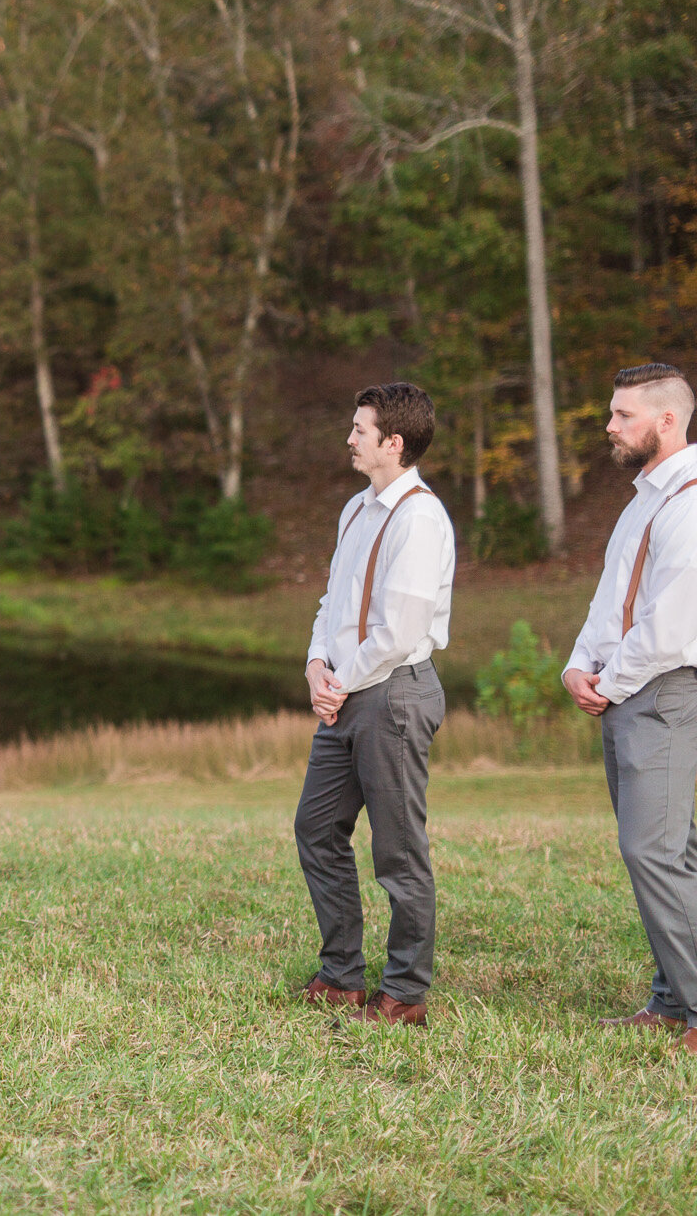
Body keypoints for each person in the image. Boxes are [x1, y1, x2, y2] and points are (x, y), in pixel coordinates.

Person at [294, 383, 455, 1027]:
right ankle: (341, 975)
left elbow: (397, 631)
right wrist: (314, 665)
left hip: (392, 694)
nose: (350, 438)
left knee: (397, 849)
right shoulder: (355, 510)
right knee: (317, 828)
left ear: (394, 442)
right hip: (346, 691)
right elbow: (333, 603)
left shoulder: (420, 518)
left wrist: (340, 682)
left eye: (360, 429)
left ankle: (406, 991)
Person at [561, 364, 697, 1050]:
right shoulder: (643, 500)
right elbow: (610, 601)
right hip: (624, 689)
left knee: (653, 849)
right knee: (672, 851)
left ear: (666, 420)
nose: (609, 426)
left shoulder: (693, 503)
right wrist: (577, 665)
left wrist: (610, 681)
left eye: (622, 415)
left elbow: (670, 627)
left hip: (663, 690)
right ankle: (672, 1001)